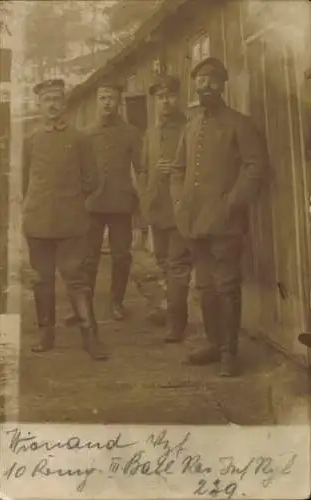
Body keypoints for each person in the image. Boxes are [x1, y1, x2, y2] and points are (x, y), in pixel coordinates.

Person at [170, 57, 269, 376]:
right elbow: (177, 170)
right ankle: (213, 344)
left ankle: (229, 352)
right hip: (194, 221)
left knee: (227, 285)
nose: (205, 85)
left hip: (226, 222)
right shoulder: (190, 126)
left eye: (212, 80)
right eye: (200, 80)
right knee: (205, 286)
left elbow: (255, 166)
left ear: (223, 84)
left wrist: (231, 202)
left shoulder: (240, 123)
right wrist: (180, 202)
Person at [22, 78, 107, 360]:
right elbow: (25, 182)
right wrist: (38, 205)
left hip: (71, 224)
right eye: (47, 100)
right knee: (41, 281)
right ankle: (46, 335)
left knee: (77, 281)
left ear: (64, 104)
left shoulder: (79, 139)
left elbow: (92, 180)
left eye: (57, 99)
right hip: (38, 224)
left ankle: (90, 337)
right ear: (39, 104)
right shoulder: (31, 140)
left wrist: (70, 203)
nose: (52, 105)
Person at [65, 76, 144, 322]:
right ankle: (83, 306)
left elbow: (141, 169)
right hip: (93, 205)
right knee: (88, 257)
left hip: (121, 204)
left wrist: (141, 202)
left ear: (119, 101)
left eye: (111, 97)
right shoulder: (85, 134)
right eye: (102, 98)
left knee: (121, 255)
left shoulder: (131, 133)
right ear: (97, 102)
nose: (107, 102)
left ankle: (116, 302)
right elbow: (76, 171)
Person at [141, 74, 192, 342]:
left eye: (170, 96)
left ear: (178, 97)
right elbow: (144, 169)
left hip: (179, 209)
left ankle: (177, 322)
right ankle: (168, 308)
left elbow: (198, 169)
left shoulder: (189, 127)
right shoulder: (151, 132)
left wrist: (175, 169)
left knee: (177, 265)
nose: (165, 101)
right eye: (160, 97)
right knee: (162, 262)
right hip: (157, 208)